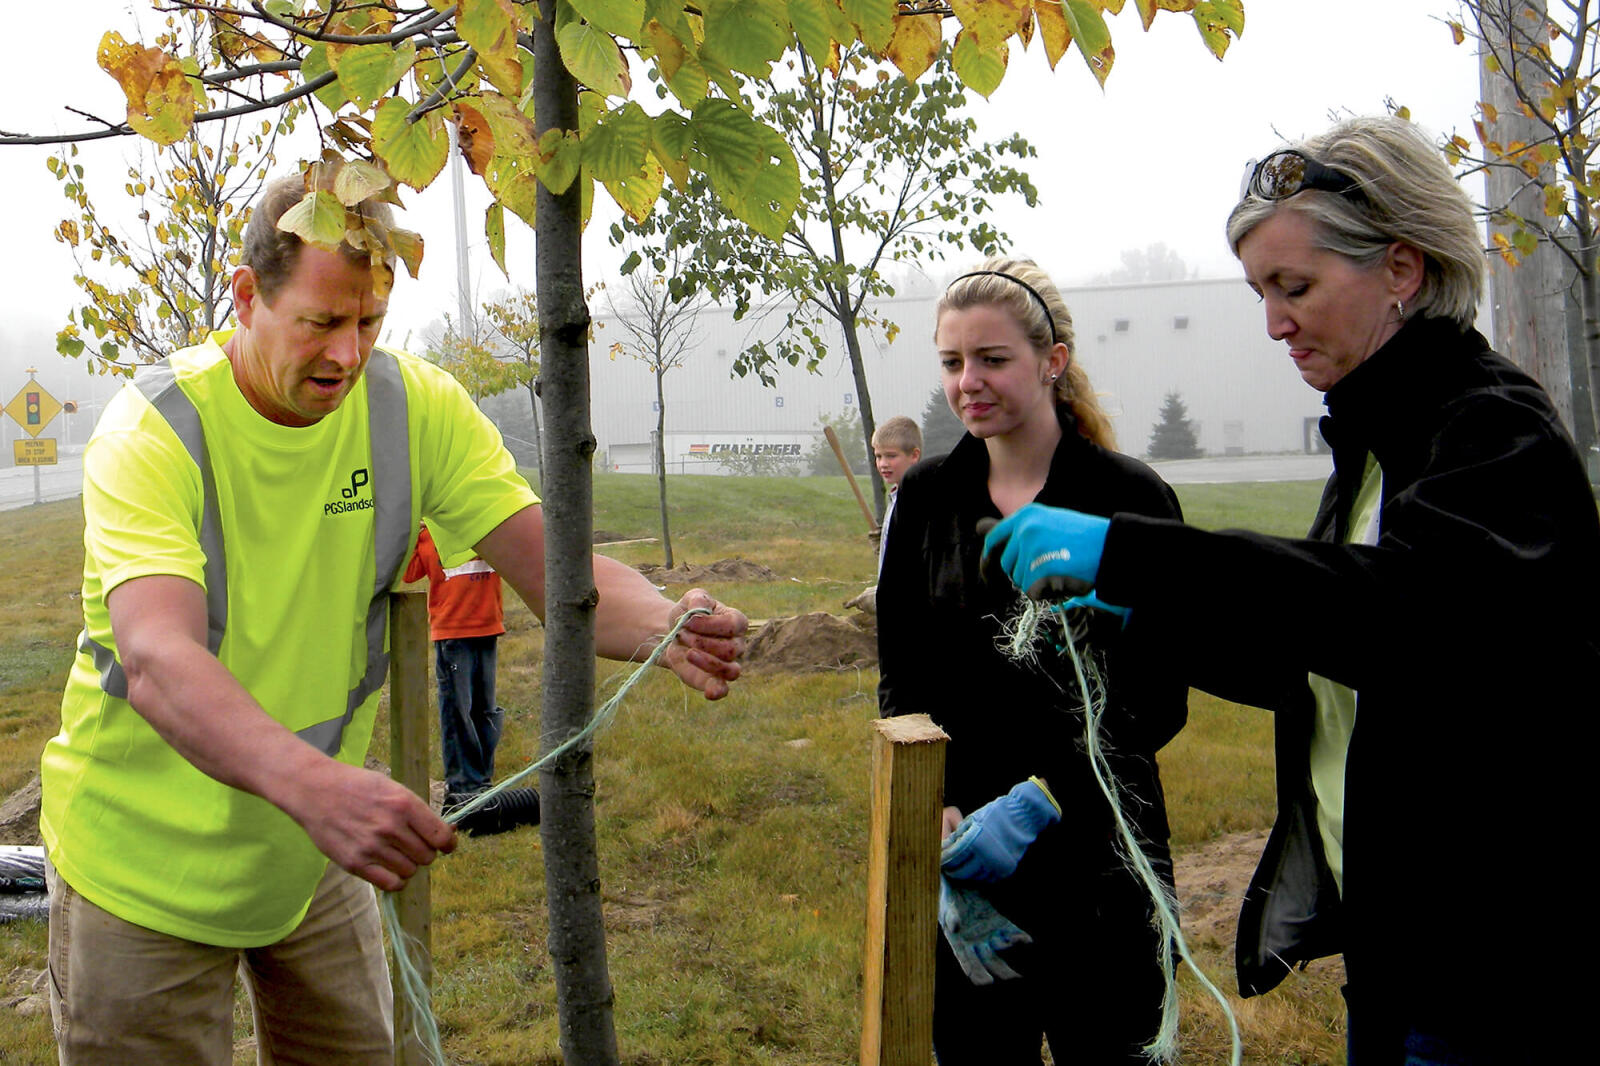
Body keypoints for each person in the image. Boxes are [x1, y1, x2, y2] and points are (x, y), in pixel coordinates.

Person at [40, 171, 746, 1066]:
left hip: (310, 857)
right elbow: (154, 656)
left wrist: (662, 623)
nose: (347, 354)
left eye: (369, 323)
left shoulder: (412, 408)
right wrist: (321, 790)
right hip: (141, 874)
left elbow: (554, 570)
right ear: (246, 295)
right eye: (321, 323)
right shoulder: (155, 433)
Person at [982, 116, 1600, 1065]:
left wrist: (1133, 552)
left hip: (1494, 972)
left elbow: (1401, 613)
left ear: (1401, 269)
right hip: (1395, 957)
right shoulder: (1374, 449)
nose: (1274, 322)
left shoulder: (1495, 431)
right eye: (1262, 291)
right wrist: (1144, 616)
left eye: (1295, 287)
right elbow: (1312, 656)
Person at [876, 256, 1188, 1064]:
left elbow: (1159, 695)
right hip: (971, 862)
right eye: (951, 362)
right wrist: (931, 802)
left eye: (992, 359)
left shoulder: (1128, 499)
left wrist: (1046, 796)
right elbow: (901, 673)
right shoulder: (926, 500)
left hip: (1103, 861)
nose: (967, 382)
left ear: (1052, 363)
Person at [404, 524, 539, 834]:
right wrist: (409, 531)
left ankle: (481, 780)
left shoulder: (484, 524)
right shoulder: (428, 532)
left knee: (484, 710)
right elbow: (409, 572)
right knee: (458, 712)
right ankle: (463, 786)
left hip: (488, 626)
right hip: (452, 632)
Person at [871, 415, 921, 577]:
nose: (883, 463)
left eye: (891, 456)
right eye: (878, 456)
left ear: (914, 455)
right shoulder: (895, 497)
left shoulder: (920, 501)